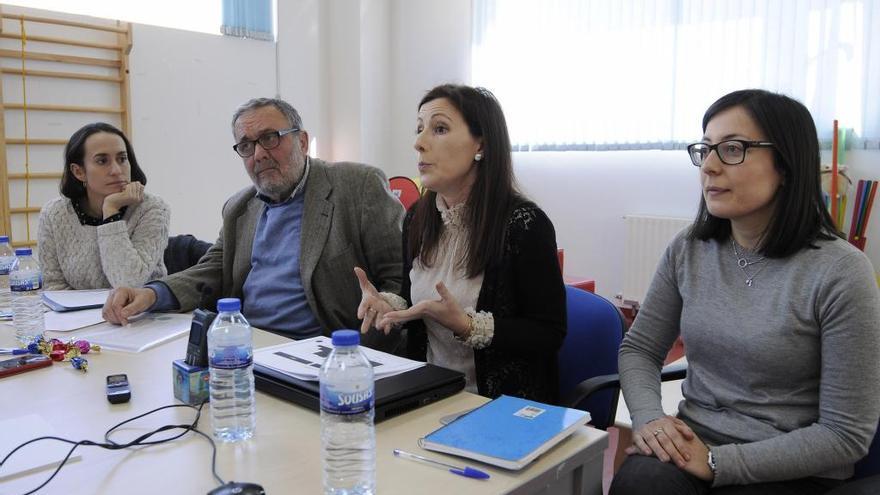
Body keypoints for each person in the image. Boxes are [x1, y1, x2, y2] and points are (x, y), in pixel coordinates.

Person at [610, 89, 880, 495]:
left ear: (786, 164)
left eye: (733, 149)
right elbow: (640, 350)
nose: (710, 167)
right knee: (640, 481)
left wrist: (719, 463)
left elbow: (845, 433)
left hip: (789, 466)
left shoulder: (840, 270)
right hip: (694, 443)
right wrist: (651, 419)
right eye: (706, 149)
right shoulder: (689, 249)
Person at [102, 98, 404, 347]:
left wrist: (388, 302)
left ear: (302, 141)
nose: (258, 154)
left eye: (270, 138)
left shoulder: (357, 185)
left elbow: (401, 271)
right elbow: (212, 271)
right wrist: (152, 294)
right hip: (248, 346)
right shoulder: (239, 208)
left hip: (327, 351)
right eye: (246, 145)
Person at [356, 84, 566, 402]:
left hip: (498, 405)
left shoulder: (524, 224)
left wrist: (468, 326)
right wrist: (392, 305)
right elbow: (412, 294)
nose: (419, 143)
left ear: (480, 144)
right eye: (419, 129)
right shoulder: (417, 219)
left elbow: (549, 333)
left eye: (439, 129)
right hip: (428, 393)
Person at [38, 122, 169, 290]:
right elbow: (53, 287)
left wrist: (111, 211)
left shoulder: (152, 209)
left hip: (141, 314)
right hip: (77, 316)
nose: (116, 170)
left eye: (122, 159)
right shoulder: (54, 214)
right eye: (102, 161)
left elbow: (128, 282)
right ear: (79, 172)